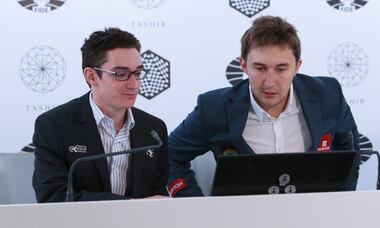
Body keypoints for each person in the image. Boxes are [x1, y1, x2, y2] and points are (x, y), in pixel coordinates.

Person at [168, 16, 360, 197]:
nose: (269, 82)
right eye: (259, 68)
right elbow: (168, 156)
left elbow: (350, 152)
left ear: (298, 66)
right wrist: (193, 204)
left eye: (281, 69)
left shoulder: (328, 95)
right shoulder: (214, 108)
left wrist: (337, 202)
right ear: (243, 65)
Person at [33, 28, 168, 202]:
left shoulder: (153, 130)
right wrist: (130, 206)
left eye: (138, 73)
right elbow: (53, 197)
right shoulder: (54, 125)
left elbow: (158, 198)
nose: (134, 84)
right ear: (92, 76)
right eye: (121, 74)